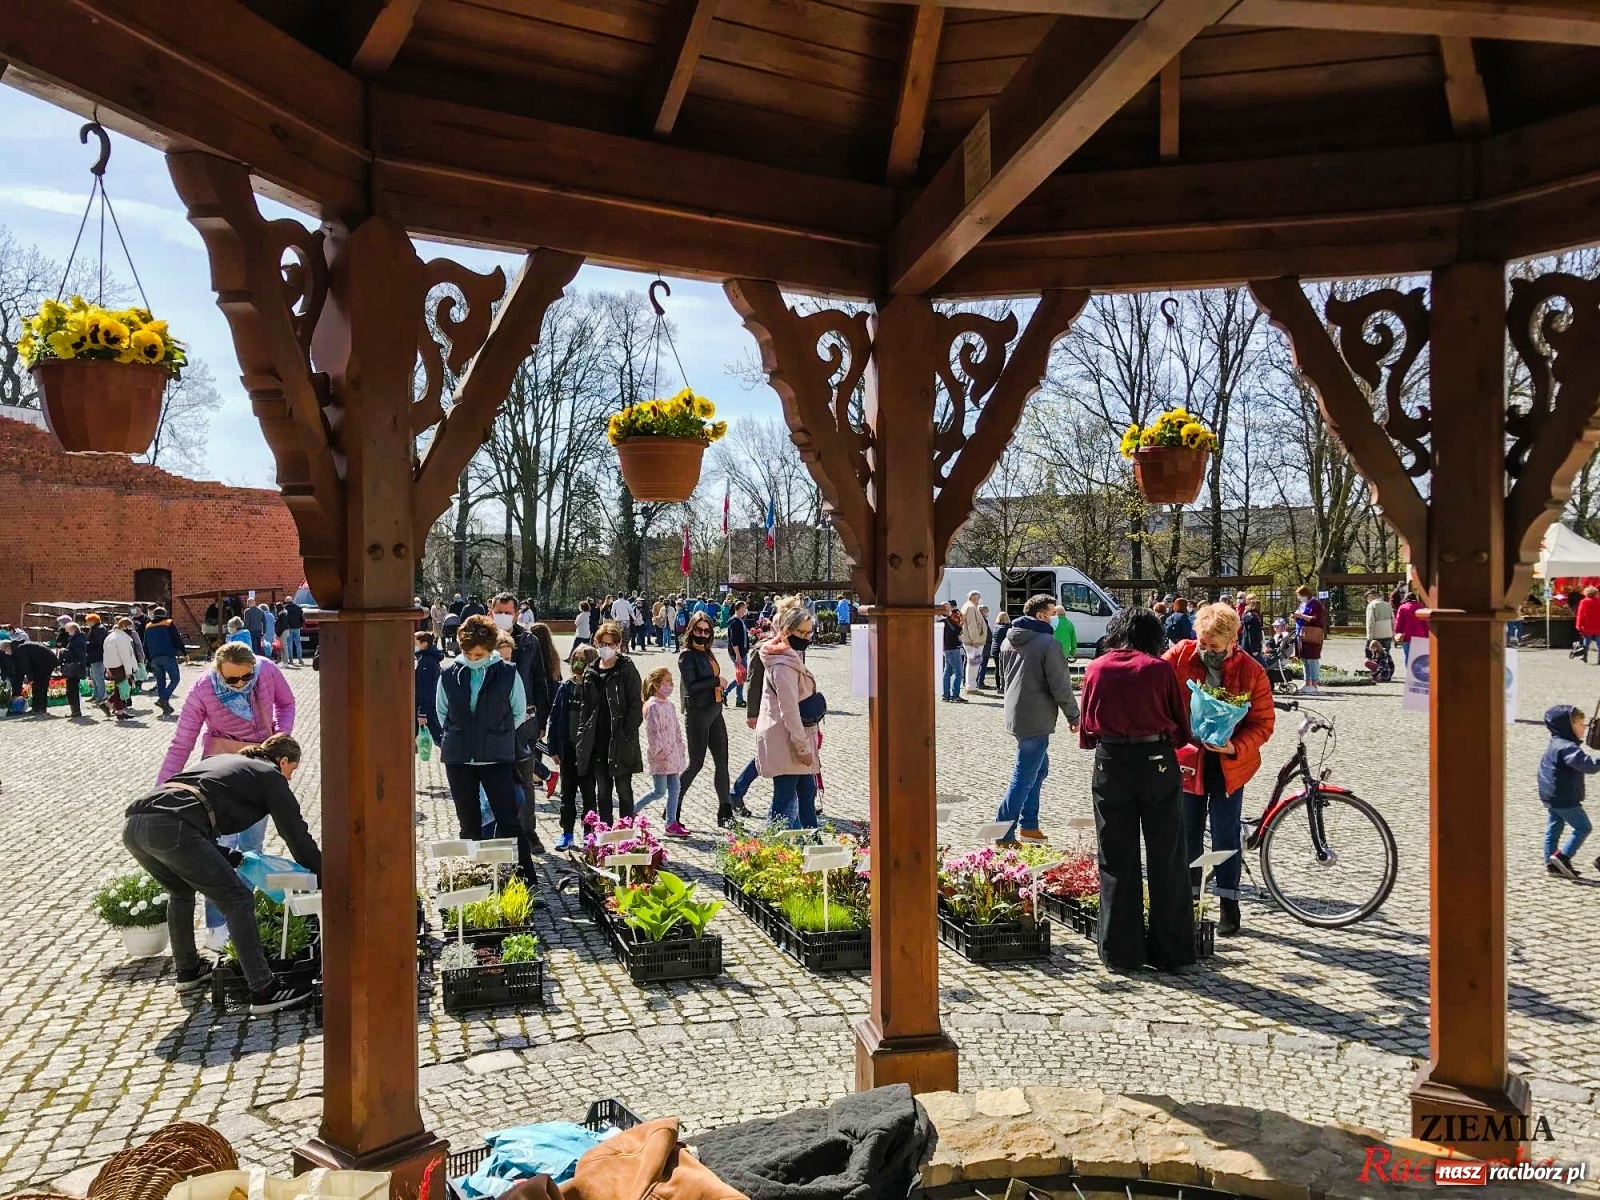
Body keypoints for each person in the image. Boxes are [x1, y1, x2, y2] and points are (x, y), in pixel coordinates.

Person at [122, 735, 321, 1013]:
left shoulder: (226, 763)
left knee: (180, 892)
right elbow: (295, 833)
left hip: (135, 824)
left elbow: (196, 816)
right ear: (283, 761)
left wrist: (233, 857)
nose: (289, 778)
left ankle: (188, 970)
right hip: (174, 824)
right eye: (292, 770)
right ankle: (264, 990)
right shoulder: (269, 774)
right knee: (237, 899)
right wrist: (322, 875)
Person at [1079, 606, 1195, 973]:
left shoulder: (1097, 667)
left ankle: (1120, 950)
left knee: (1115, 856)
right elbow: (1180, 724)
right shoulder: (1158, 668)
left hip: (1111, 760)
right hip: (1156, 759)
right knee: (1168, 854)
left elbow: (1086, 726)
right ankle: (1172, 950)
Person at [159, 639, 298, 947]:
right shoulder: (202, 691)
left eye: (247, 677)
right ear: (217, 671)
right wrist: (163, 791)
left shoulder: (268, 671)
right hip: (220, 769)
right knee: (220, 849)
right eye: (232, 678)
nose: (240, 684)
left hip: (258, 766)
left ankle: (242, 919)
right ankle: (217, 926)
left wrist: (280, 735)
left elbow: (286, 704)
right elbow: (182, 743)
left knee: (251, 848)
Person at [1164, 603, 1274, 937]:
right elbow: (1154, 683)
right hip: (1188, 760)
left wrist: (1234, 746)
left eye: (1215, 646)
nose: (1207, 650)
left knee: (1226, 833)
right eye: (1203, 643)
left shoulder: (1251, 670)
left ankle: (1229, 904)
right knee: (1187, 831)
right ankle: (1190, 901)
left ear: (1232, 640)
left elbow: (1263, 723)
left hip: (1229, 765)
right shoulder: (1181, 656)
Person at [436, 614, 535, 878]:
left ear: (490, 650)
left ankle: (526, 879)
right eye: (469, 654)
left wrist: (494, 735)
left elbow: (517, 713)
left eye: (479, 655)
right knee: (468, 824)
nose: (473, 659)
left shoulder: (506, 673)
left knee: (509, 821)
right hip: (459, 760)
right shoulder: (449, 674)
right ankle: (473, 880)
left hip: (496, 758)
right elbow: (442, 713)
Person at [993, 593, 1079, 844]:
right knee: (1025, 773)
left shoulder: (1010, 640)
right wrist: (1074, 715)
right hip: (1036, 715)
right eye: (1053, 613)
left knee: (1039, 769)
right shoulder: (1047, 643)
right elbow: (1060, 685)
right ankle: (1003, 831)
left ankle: (1029, 824)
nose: (1056, 618)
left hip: (1016, 713)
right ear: (1041, 615)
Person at [757, 601, 821, 828]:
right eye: (800, 632)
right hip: (786, 739)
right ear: (786, 631)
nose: (805, 637)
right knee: (783, 798)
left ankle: (814, 845)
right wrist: (803, 747)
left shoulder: (790, 656)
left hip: (794, 736)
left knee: (807, 793)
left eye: (808, 632)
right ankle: (771, 847)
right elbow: (789, 709)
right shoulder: (783, 664)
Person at [575, 620, 643, 825]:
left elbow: (635, 703)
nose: (606, 648)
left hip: (620, 738)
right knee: (603, 791)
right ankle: (605, 833)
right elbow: (585, 707)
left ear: (618, 645)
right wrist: (582, 733)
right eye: (602, 643)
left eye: (611, 644)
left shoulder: (626, 668)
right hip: (598, 740)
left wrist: (627, 732)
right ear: (596, 643)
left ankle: (626, 833)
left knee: (623, 790)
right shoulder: (590, 671)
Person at [679, 609, 735, 827]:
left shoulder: (707, 652)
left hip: (715, 710)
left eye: (706, 630)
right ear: (692, 630)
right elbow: (691, 687)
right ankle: (673, 807)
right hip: (698, 713)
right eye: (699, 630)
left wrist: (719, 686)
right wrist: (716, 681)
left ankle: (725, 811)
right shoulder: (687, 655)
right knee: (696, 764)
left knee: (722, 762)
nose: (702, 633)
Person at [1539, 704, 1599, 879]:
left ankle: (1551, 864)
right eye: (1581, 724)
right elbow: (1587, 765)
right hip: (1565, 796)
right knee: (1583, 827)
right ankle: (1563, 857)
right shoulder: (1567, 747)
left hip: (1551, 794)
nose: (1584, 728)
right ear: (1569, 726)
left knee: (1554, 827)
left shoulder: (1556, 742)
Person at [549, 645, 599, 851]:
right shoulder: (566, 687)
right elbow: (555, 718)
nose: (578, 664)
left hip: (588, 753)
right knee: (567, 795)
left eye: (583, 660)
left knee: (589, 795)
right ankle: (567, 833)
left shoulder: (595, 687)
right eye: (575, 659)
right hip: (567, 750)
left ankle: (590, 833)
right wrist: (553, 748)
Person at [641, 668, 690, 837]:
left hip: (673, 755)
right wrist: (660, 751)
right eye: (667, 682)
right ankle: (632, 810)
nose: (670, 685)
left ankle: (671, 822)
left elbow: (676, 729)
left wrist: (679, 747)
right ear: (656, 684)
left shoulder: (670, 705)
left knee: (675, 788)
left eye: (671, 682)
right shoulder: (654, 706)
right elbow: (653, 732)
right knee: (659, 791)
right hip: (661, 757)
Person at [138, 607, 184, 716]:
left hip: (155, 657)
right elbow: (176, 638)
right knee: (175, 678)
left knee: (160, 682)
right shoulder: (168, 623)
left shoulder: (148, 626)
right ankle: (163, 699)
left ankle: (165, 707)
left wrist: (149, 659)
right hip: (168, 655)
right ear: (165, 613)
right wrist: (184, 652)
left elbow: (145, 644)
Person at [15, 635, 66, 716]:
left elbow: (26, 665)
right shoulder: (23, 646)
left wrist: (30, 678)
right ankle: (42, 707)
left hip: (44, 663)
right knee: (43, 686)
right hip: (48, 661)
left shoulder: (19, 650)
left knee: (37, 686)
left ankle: (36, 708)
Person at [103, 616, 140, 720]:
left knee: (118, 688)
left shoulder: (110, 636)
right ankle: (119, 711)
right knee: (121, 689)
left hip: (113, 666)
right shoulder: (121, 638)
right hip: (121, 666)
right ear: (124, 627)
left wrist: (107, 668)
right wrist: (128, 671)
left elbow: (105, 654)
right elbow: (125, 656)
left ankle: (108, 704)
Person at [414, 630, 446, 750]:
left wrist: (422, 712)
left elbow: (425, 688)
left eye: (415, 642)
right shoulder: (425, 659)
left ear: (424, 644)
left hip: (429, 706)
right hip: (430, 705)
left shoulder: (426, 662)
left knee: (439, 736)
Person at [1293, 585, 1328, 692]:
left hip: (1312, 634)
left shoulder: (1316, 604)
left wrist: (1301, 616)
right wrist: (1295, 616)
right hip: (1302, 634)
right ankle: (1307, 682)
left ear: (1306, 594)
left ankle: (1314, 684)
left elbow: (1316, 619)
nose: (1299, 598)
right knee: (1304, 659)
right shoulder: (1303, 604)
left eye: (1300, 595)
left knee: (1312, 659)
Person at [960, 590, 988, 690]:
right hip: (974, 642)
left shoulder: (968, 606)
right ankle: (971, 687)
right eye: (978, 598)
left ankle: (971, 685)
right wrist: (975, 640)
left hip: (972, 640)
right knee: (974, 665)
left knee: (972, 664)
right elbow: (972, 625)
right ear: (975, 598)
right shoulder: (971, 607)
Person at [725, 600, 750, 708]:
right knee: (742, 676)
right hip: (737, 653)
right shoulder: (734, 622)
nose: (746, 610)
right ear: (740, 608)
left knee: (742, 675)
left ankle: (739, 699)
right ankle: (725, 692)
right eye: (744, 608)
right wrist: (738, 655)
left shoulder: (740, 620)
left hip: (742, 652)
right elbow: (734, 640)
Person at [940, 601, 965, 703]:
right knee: (958, 672)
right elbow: (955, 631)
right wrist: (961, 624)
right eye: (949, 607)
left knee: (947, 672)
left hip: (946, 648)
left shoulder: (941, 620)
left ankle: (945, 695)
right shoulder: (946, 620)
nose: (951, 609)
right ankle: (955, 695)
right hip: (952, 648)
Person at [980, 610, 1010, 690]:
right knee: (1005, 668)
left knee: (997, 668)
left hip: (994, 650)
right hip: (1003, 649)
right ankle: (1004, 686)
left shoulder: (995, 626)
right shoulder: (1007, 628)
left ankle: (998, 686)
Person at [85, 613, 109, 709]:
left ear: (93, 621)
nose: (87, 623)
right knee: (94, 677)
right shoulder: (96, 628)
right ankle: (96, 695)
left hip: (98, 656)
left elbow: (97, 642)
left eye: (88, 621)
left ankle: (102, 696)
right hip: (94, 656)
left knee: (98, 677)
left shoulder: (99, 629)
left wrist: (85, 644)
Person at [1575, 587, 1600, 663]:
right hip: (1598, 624)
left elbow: (1580, 614)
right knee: (1599, 642)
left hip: (1587, 624)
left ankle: (1584, 656)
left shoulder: (1584, 602)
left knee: (1586, 641)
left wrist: (1578, 625)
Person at [1239, 595, 1266, 664]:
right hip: (1252, 648)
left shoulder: (1249, 615)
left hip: (1246, 645)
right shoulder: (1253, 617)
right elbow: (1253, 634)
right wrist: (1255, 649)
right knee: (1263, 667)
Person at [281, 595, 306, 665]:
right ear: (292, 601)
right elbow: (302, 618)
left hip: (288, 628)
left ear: (286, 601)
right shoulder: (298, 608)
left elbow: (284, 619)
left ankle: (291, 659)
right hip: (297, 627)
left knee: (289, 644)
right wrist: (300, 625)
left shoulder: (285, 609)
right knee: (298, 643)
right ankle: (300, 659)